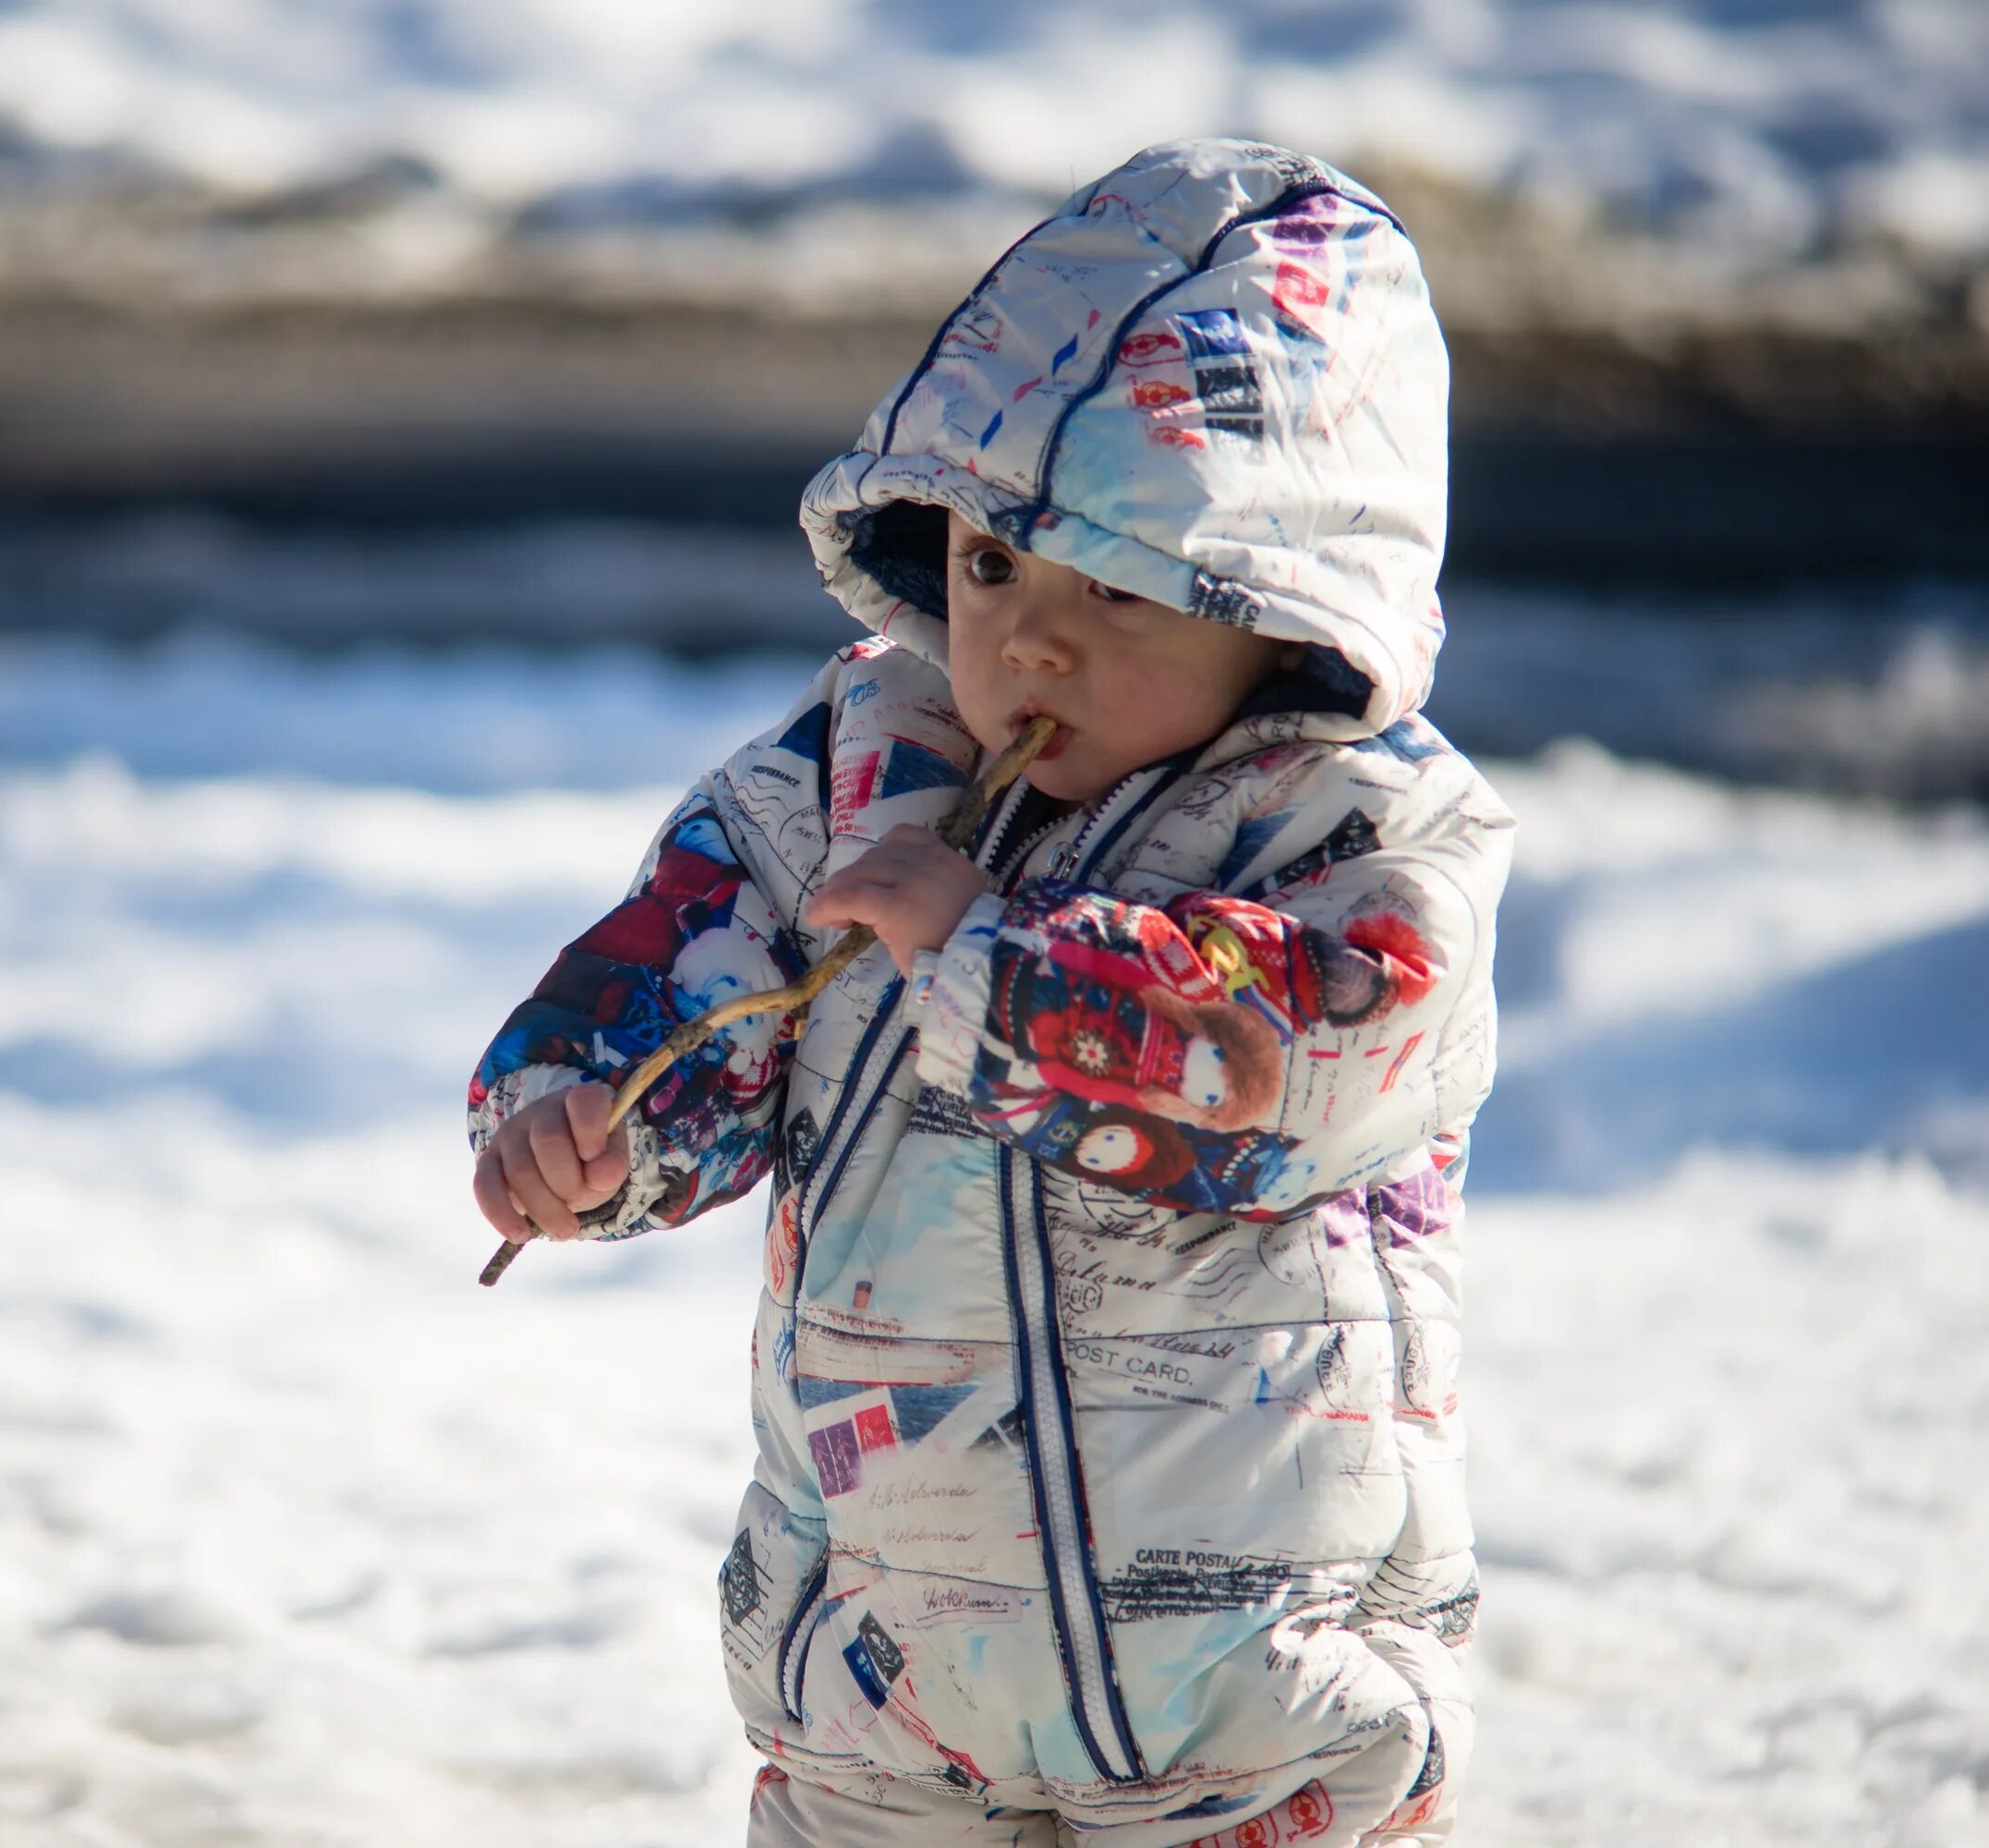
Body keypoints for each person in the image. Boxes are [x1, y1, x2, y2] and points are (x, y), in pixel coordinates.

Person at [467, 139, 1512, 1847]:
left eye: (1117, 590)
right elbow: (685, 955)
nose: (1030, 645)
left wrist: (993, 960)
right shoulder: (860, 771)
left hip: (1248, 1685)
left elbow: (1298, 1066)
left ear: (1285, 597)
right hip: (881, 1669)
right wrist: (587, 1115)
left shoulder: (1365, 832)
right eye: (989, 568)